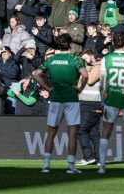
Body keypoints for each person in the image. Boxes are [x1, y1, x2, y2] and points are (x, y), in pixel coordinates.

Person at [33, 34, 86, 174]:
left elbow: (36, 74)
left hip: (56, 98)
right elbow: (85, 75)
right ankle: (71, 166)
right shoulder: (75, 59)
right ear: (70, 45)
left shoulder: (51, 59)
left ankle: (46, 165)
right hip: (71, 98)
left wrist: (47, 88)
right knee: (72, 133)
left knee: (51, 133)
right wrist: (80, 87)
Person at [95, 31, 124, 175]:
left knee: (106, 133)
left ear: (113, 43)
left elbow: (102, 84)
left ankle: (102, 166)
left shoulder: (106, 59)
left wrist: (103, 99)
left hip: (111, 100)